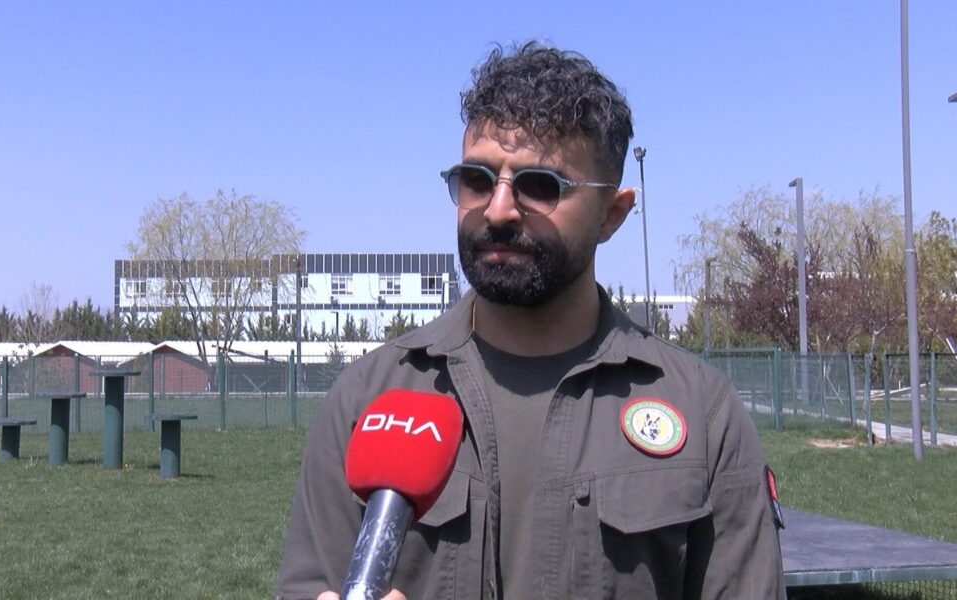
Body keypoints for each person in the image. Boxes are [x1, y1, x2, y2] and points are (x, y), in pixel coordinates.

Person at [275, 41, 786, 600]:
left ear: (612, 214)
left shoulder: (704, 415)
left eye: (540, 186)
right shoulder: (369, 399)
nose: (498, 210)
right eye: (477, 179)